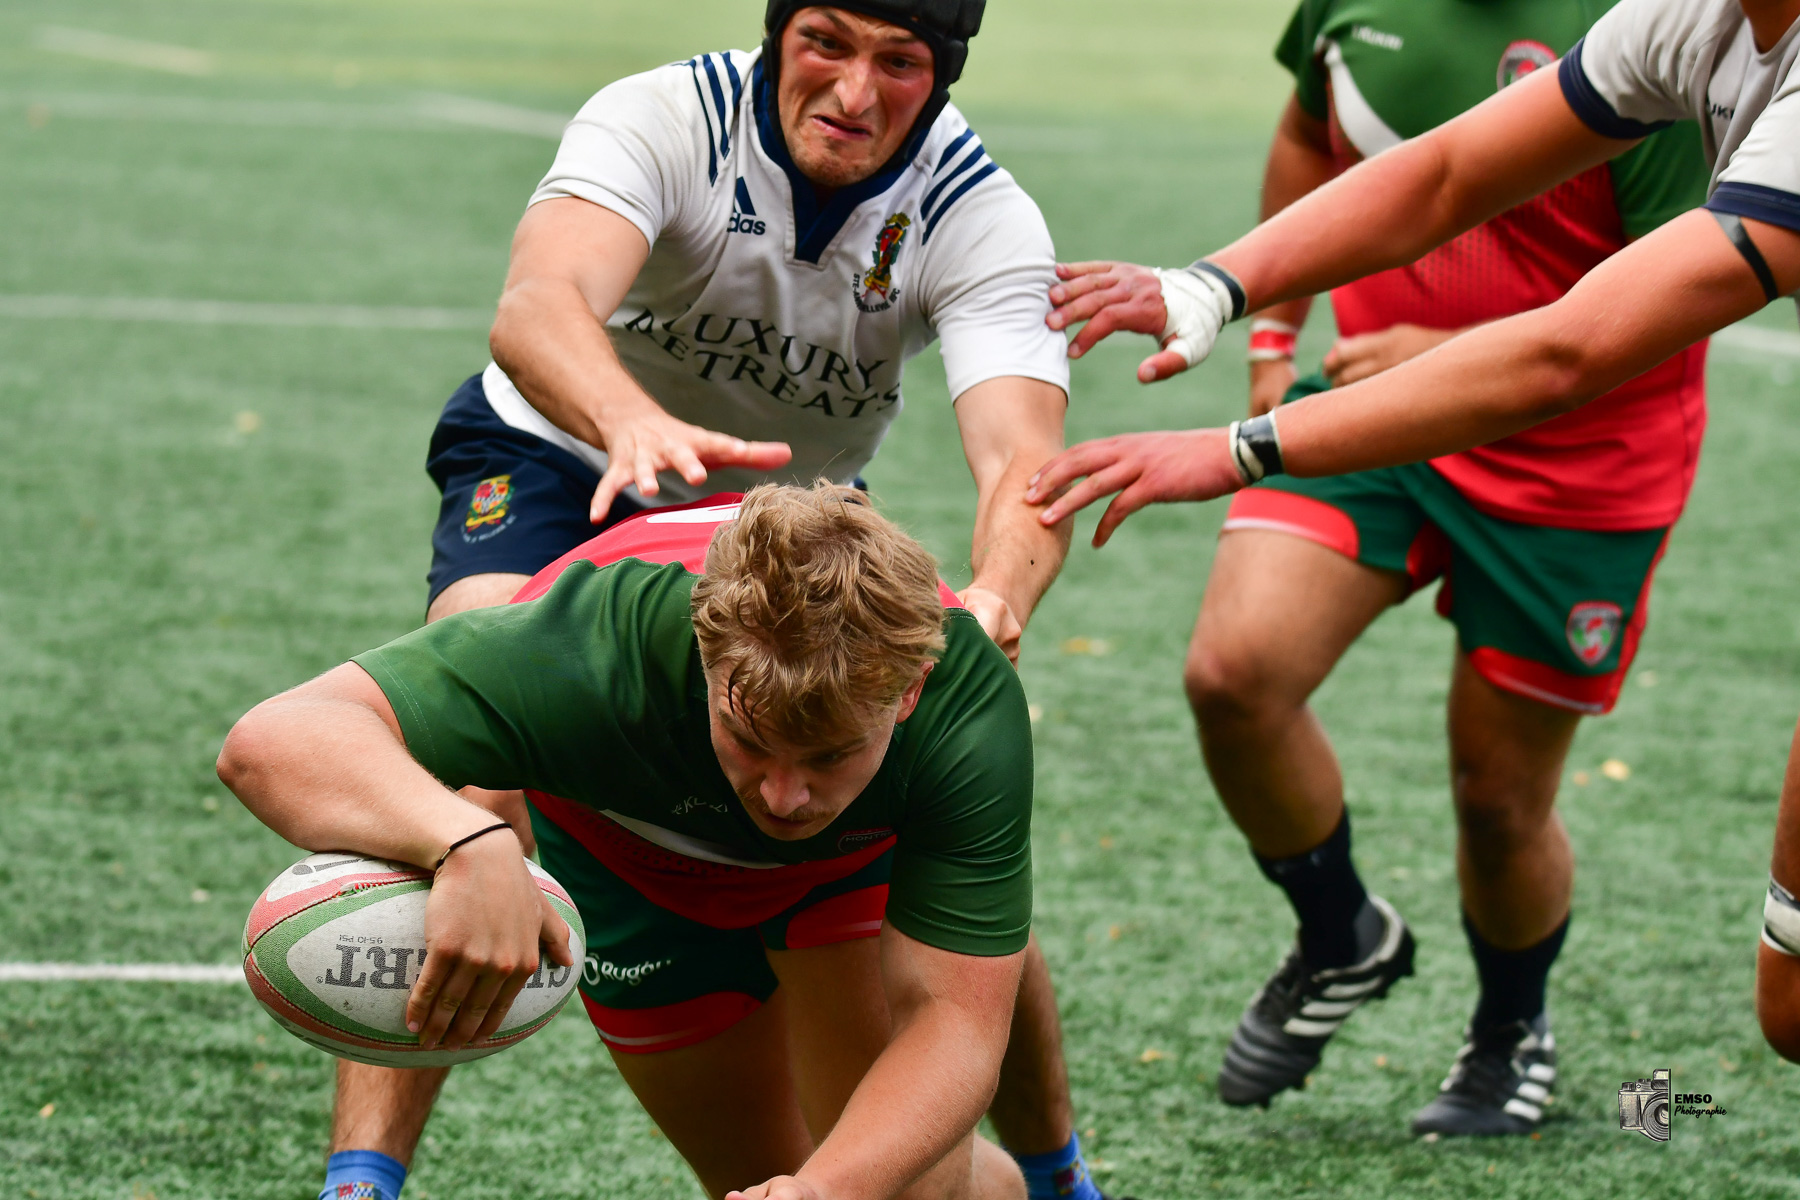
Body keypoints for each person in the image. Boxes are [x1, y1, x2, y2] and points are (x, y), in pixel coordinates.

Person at [334, 1, 1112, 1197]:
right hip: (563, 452)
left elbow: (1025, 465)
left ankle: (1056, 1172)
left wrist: (1000, 594)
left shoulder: (982, 215)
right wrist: (629, 423)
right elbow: (537, 308)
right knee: (468, 741)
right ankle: (364, 1176)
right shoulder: (664, 115)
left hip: (783, 526)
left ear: (943, 74)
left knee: (939, 804)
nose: (855, 91)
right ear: (776, 33)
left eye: (899, 63)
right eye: (826, 45)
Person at [1024, 0, 1800, 1103]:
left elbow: (1574, 351)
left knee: (1508, 806)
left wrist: (1243, 448)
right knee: (1234, 672)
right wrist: (1220, 287)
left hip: (1573, 459)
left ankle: (1510, 1029)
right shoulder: (1687, 17)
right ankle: (1342, 935)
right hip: (1382, 411)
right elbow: (1444, 176)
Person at [220, 484, 1038, 1200]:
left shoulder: (964, 710)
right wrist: (470, 838)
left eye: (828, 756)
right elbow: (272, 739)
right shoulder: (594, 645)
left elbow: (955, 1022)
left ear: (907, 695)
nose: (785, 796)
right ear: (706, 657)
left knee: (894, 1192)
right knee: (762, 1174)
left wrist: (826, 1189)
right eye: (749, 740)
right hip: (631, 871)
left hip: (844, 870)